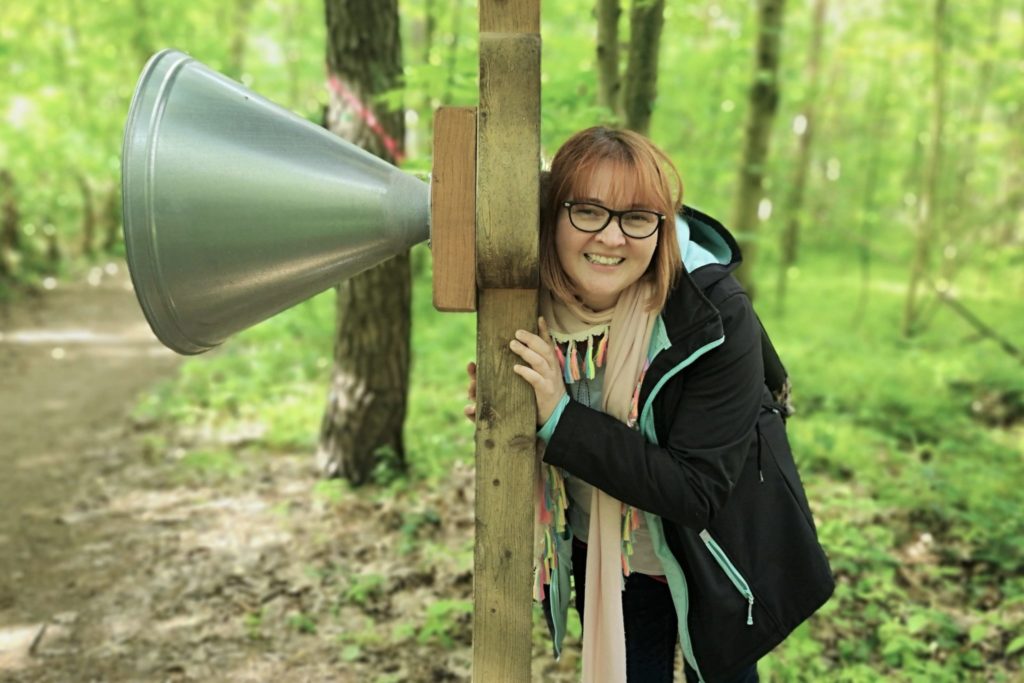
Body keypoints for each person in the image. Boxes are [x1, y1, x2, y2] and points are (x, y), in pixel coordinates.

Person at [465, 127, 833, 683]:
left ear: (661, 227)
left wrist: (559, 417)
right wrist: (510, 408)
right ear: (552, 215)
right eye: (588, 211)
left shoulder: (713, 313)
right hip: (608, 553)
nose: (611, 238)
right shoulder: (526, 297)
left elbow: (697, 489)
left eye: (637, 217)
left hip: (714, 553)